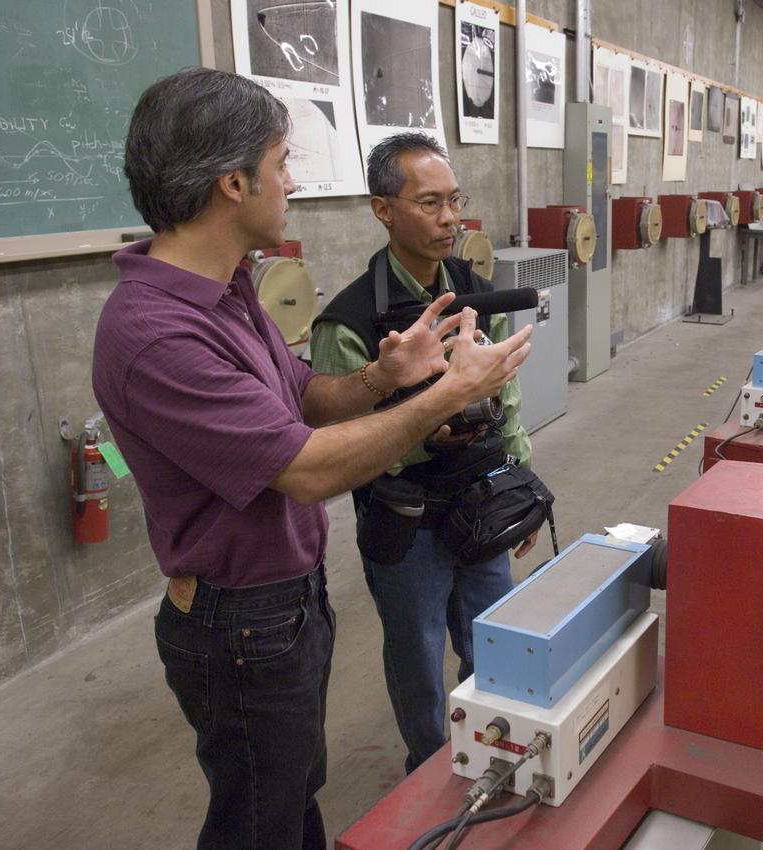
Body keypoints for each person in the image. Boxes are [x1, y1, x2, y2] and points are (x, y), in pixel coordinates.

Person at [91, 69, 531, 850]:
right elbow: (306, 469)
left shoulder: (228, 291)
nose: (291, 182)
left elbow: (298, 392)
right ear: (233, 182)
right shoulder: (158, 333)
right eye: (282, 163)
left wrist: (385, 376)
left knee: (291, 798)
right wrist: (443, 394)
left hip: (285, 604)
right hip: (239, 621)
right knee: (258, 819)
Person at [310, 133, 535, 774]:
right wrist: (420, 433)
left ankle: (488, 754)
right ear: (384, 210)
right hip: (405, 522)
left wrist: (518, 476)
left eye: (454, 201)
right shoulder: (351, 323)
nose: (449, 219)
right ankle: (431, 769)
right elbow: (339, 439)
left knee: (489, 638)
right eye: (430, 203)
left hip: (484, 502)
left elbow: (506, 394)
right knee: (417, 656)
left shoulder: (474, 288)